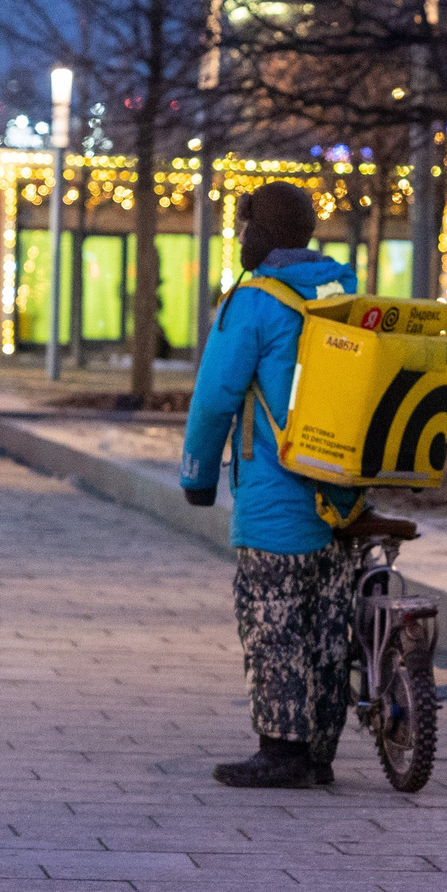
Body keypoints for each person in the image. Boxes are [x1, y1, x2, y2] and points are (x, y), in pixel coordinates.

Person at [178, 181, 365, 790]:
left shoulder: (254, 301)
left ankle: (281, 750)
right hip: (342, 493)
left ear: (258, 233)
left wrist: (198, 475)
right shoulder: (342, 291)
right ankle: (318, 752)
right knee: (328, 626)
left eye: (242, 227)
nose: (237, 237)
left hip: (276, 495)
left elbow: (213, 401)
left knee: (273, 620)